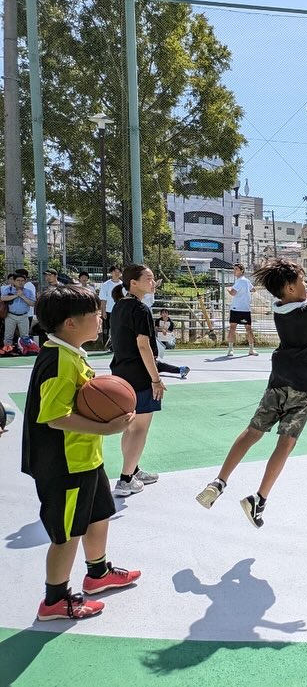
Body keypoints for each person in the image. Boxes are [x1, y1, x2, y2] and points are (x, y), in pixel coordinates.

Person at [195, 245, 307, 528]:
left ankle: (219, 481)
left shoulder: (281, 307)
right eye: (302, 281)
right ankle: (258, 500)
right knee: (285, 443)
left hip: (278, 379)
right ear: (289, 287)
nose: (306, 285)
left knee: (253, 432)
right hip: (304, 385)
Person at [22, 285, 139, 620]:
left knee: (99, 515)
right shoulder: (59, 361)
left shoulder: (70, 353)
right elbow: (55, 416)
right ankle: (54, 599)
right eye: (95, 314)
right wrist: (106, 427)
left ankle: (98, 574)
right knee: (68, 533)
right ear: (71, 323)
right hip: (64, 464)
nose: (101, 318)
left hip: (85, 458)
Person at [109, 264, 165, 498]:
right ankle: (124, 480)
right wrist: (155, 379)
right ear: (134, 283)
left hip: (121, 374)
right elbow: (143, 346)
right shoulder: (141, 310)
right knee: (139, 428)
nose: (153, 283)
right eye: (149, 279)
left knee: (130, 427)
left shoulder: (120, 306)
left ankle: (132, 471)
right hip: (140, 376)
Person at [226, 263, 257, 357]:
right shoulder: (246, 281)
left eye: (236, 269)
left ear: (241, 271)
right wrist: (245, 293)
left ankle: (231, 349)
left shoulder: (241, 281)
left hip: (237, 308)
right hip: (244, 309)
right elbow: (253, 289)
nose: (234, 271)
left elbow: (233, 293)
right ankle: (251, 349)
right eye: (234, 269)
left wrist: (229, 289)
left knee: (233, 328)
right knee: (247, 329)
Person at [2, 272, 36, 353]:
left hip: (24, 316)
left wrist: (23, 296)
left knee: (25, 336)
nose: (20, 282)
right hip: (10, 315)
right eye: (18, 280)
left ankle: (25, 350)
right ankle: (7, 351)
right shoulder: (8, 290)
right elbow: (2, 298)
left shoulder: (28, 292)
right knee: (8, 336)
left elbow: (33, 303)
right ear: (14, 281)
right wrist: (16, 295)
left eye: (22, 280)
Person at [98, 265, 122, 350]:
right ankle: (110, 345)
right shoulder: (105, 285)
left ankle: (118, 344)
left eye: (118, 272)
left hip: (121, 311)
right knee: (110, 328)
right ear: (111, 273)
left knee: (119, 328)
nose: (116, 273)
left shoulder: (123, 285)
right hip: (109, 310)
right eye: (115, 272)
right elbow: (103, 299)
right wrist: (103, 311)